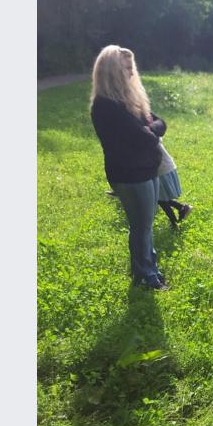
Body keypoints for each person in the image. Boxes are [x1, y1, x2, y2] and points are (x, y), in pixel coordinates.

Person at [90, 45, 168, 290]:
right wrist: (150, 131)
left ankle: (148, 269)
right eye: (126, 69)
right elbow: (145, 136)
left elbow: (160, 123)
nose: (132, 74)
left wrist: (150, 130)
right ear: (111, 71)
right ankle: (146, 275)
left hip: (146, 169)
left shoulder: (129, 100)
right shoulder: (106, 106)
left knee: (145, 224)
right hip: (129, 174)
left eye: (132, 68)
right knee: (141, 226)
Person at [157, 141, 193, 229]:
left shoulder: (144, 133)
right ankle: (181, 209)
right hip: (165, 167)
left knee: (160, 198)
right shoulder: (148, 130)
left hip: (161, 169)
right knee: (160, 197)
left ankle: (175, 223)